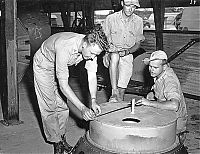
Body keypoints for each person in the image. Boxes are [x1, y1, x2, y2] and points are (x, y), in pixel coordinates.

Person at [33, 25, 109, 154]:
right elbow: (63, 85)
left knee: (62, 105)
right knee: (49, 106)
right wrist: (82, 108)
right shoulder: (65, 46)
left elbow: (91, 76)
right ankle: (56, 143)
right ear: (84, 44)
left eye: (96, 55)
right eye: (92, 53)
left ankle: (61, 139)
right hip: (44, 66)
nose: (92, 57)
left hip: (59, 65)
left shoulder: (91, 48)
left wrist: (94, 100)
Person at [136, 50, 188, 147]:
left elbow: (174, 105)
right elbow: (159, 88)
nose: (151, 70)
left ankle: (179, 137)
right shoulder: (159, 73)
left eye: (155, 67)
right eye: (150, 66)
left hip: (175, 121)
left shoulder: (169, 80)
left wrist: (149, 103)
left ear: (164, 67)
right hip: (166, 114)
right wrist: (152, 94)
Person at [103, 0, 145, 103]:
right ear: (122, 4)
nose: (130, 9)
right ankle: (113, 91)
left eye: (134, 7)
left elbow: (137, 44)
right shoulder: (111, 19)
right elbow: (103, 40)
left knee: (121, 91)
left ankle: (118, 105)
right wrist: (107, 53)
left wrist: (126, 52)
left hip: (127, 55)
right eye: (128, 5)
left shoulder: (138, 21)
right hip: (111, 53)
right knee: (115, 56)